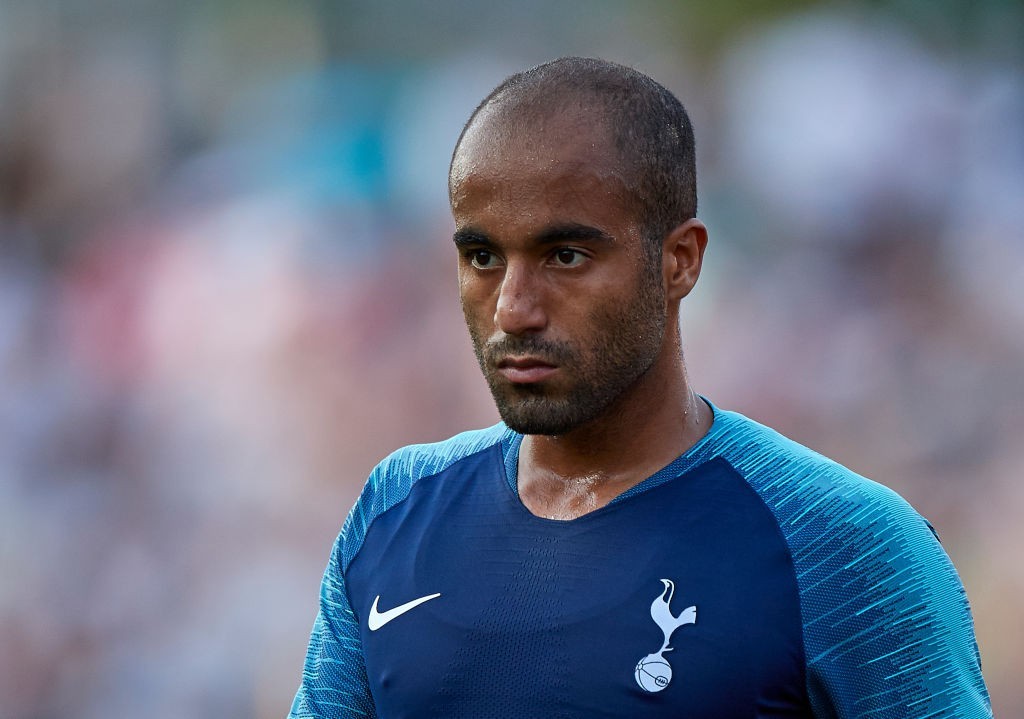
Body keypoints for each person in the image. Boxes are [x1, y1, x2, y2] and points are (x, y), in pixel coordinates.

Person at [288, 57, 991, 718]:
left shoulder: (843, 543)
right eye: (482, 257)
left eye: (565, 255)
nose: (512, 307)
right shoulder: (394, 511)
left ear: (680, 261)